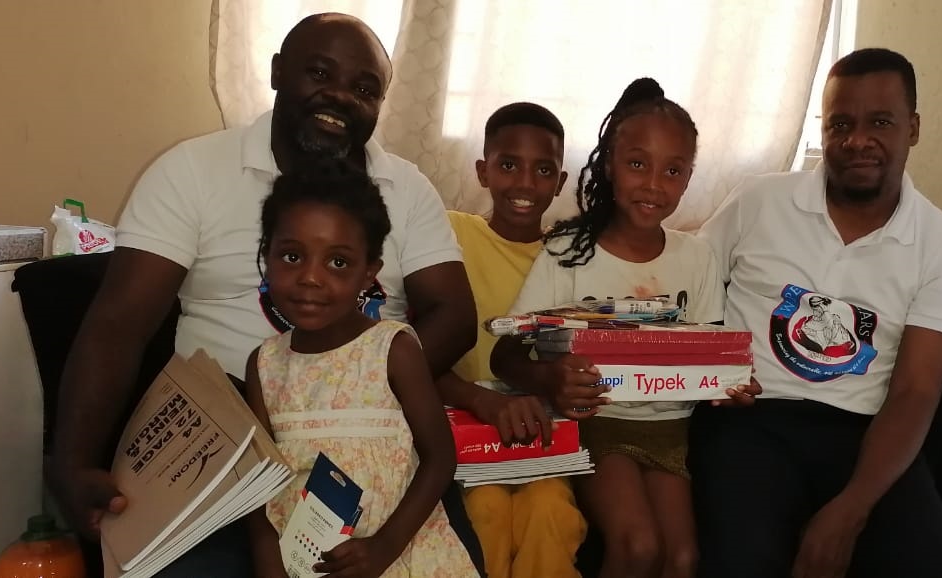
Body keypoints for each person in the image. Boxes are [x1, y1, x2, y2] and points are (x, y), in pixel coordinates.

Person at [50, 13, 478, 576]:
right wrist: (73, 461)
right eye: (319, 73)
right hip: (222, 439)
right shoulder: (191, 170)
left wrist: (362, 385)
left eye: (364, 88)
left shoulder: (409, 188)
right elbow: (118, 324)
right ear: (277, 72)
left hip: (373, 433)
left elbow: (454, 315)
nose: (339, 96)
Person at [691, 47, 942, 578]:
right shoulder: (760, 200)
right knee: (745, 560)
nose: (857, 140)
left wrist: (850, 511)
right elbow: (685, 286)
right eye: (840, 123)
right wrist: (709, 370)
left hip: (864, 433)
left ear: (913, 128)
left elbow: (916, 391)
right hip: (752, 420)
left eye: (881, 122)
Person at [491, 79, 757, 578]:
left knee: (682, 559)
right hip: (597, 421)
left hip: (671, 428)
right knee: (637, 545)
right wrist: (551, 378)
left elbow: (709, 355)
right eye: (638, 164)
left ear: (689, 178)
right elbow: (504, 355)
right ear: (610, 164)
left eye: (673, 171)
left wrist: (730, 384)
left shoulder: (697, 256)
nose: (654, 184)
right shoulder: (568, 251)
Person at [244, 163, 478, 577]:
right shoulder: (263, 365)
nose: (310, 278)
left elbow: (440, 457)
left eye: (337, 262)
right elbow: (256, 480)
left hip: (401, 552)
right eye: (292, 256)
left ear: (369, 272)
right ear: (267, 255)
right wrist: (269, 560)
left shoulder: (393, 349)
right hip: (305, 561)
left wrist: (384, 547)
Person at [435, 102, 588, 578]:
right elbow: (414, 346)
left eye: (543, 170)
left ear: (560, 182)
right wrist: (479, 400)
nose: (525, 183)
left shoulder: (569, 255)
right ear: (483, 171)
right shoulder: (450, 234)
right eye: (508, 165)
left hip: (545, 430)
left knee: (551, 512)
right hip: (463, 421)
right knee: (485, 512)